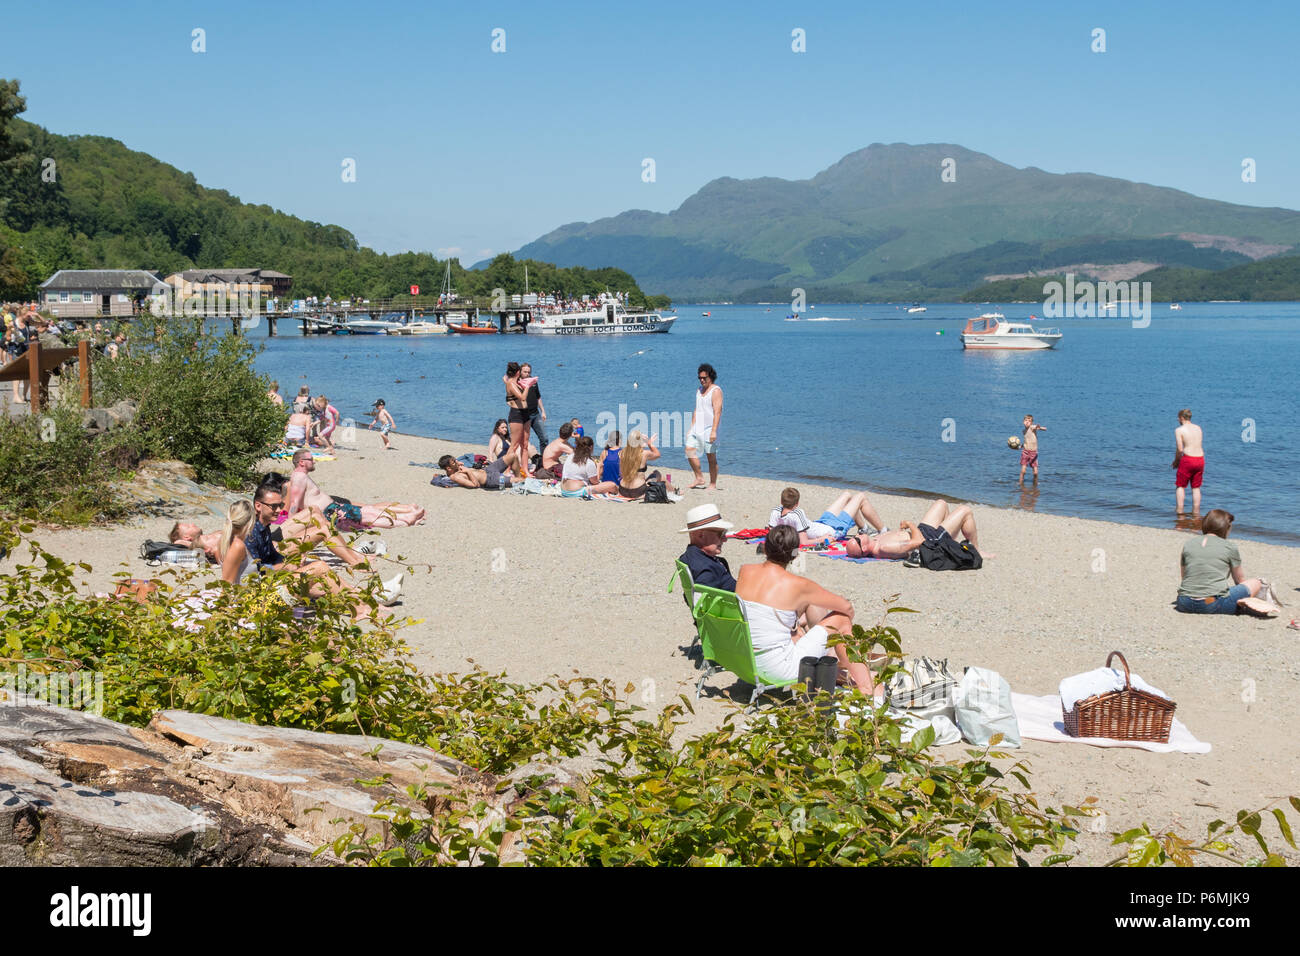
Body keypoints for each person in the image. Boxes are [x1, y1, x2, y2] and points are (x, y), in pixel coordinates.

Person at [736, 525, 880, 699]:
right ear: (795, 554)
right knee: (841, 620)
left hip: (744, 662)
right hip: (777, 669)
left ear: (765, 547)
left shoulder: (745, 571)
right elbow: (847, 608)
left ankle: (839, 661)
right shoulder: (798, 585)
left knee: (793, 618)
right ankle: (865, 686)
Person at [287, 448, 425, 527]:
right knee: (368, 517)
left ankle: (406, 518)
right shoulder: (299, 477)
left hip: (333, 509)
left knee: (369, 510)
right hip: (330, 513)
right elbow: (294, 503)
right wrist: (289, 526)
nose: (314, 461)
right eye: (311, 459)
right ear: (302, 462)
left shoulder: (301, 476)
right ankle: (407, 520)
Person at [1175, 509, 1275, 616]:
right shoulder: (1230, 547)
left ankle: (1238, 603)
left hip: (1184, 602)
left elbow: (1185, 576)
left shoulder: (1188, 544)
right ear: (1225, 528)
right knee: (1256, 582)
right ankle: (1243, 604)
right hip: (1210, 603)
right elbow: (1239, 580)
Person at [846, 499, 984, 559]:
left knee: (941, 503)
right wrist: (910, 524)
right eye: (857, 539)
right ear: (863, 549)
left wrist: (902, 530)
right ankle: (977, 551)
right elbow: (918, 542)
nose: (857, 536)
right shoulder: (885, 548)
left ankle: (948, 544)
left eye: (855, 537)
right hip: (929, 541)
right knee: (965, 510)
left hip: (923, 532)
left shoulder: (875, 540)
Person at [770, 488, 887, 547]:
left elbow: (771, 534)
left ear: (781, 501)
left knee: (847, 495)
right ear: (797, 504)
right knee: (861, 497)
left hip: (821, 523)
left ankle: (864, 528)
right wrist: (822, 539)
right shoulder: (797, 514)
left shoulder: (775, 511)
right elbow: (804, 542)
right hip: (832, 530)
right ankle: (883, 531)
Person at [677, 504, 737, 591]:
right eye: (721, 534)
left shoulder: (687, 557)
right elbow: (705, 601)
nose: (724, 539)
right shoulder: (706, 569)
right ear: (701, 535)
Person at [686, 363, 722, 490]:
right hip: (697, 427)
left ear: (710, 377)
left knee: (711, 457)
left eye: (704, 378)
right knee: (689, 450)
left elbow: (717, 411)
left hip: (709, 428)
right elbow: (696, 409)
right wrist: (691, 427)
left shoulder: (715, 391)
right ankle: (699, 477)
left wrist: (714, 431)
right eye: (700, 378)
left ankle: (713, 483)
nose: (702, 380)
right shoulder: (699, 391)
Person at [1173, 408, 1204, 515]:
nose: (1178, 419)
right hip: (1200, 459)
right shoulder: (1198, 428)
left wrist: (1176, 461)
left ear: (1182, 418)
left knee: (1180, 486)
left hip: (1188, 459)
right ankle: (1196, 512)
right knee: (1196, 487)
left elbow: (1180, 449)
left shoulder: (1179, 430)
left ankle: (1180, 511)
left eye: (1178, 417)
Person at [503, 363, 530, 476]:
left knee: (525, 444)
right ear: (518, 372)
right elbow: (522, 397)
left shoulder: (515, 382)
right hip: (516, 415)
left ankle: (525, 470)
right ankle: (506, 469)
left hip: (525, 414)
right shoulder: (511, 383)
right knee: (514, 444)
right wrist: (528, 386)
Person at [617, 430, 662, 499]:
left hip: (623, 490)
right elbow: (657, 455)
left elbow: (621, 474)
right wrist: (649, 444)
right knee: (657, 473)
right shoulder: (644, 453)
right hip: (638, 491)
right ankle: (675, 491)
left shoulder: (622, 453)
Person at [438, 453, 516, 489]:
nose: (457, 462)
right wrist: (468, 471)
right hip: (491, 479)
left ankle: (519, 474)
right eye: (454, 462)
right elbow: (475, 485)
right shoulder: (455, 477)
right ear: (449, 468)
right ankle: (521, 478)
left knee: (512, 456)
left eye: (455, 460)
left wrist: (458, 464)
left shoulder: (457, 468)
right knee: (518, 481)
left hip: (489, 469)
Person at [520, 362, 548, 456]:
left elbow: (538, 397)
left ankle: (544, 461)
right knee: (523, 441)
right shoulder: (517, 383)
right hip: (523, 416)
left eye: (529, 372)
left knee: (544, 438)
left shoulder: (533, 382)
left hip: (536, 414)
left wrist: (543, 411)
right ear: (520, 372)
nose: (527, 374)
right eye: (525, 372)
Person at [1019, 414, 1046, 485]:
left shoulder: (1032, 428)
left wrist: (1040, 427)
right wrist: (1021, 446)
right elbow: (1026, 441)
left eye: (1029, 421)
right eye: (1026, 420)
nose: (1027, 422)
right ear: (1023, 422)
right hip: (1025, 452)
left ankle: (1035, 483)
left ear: (1031, 423)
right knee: (1023, 471)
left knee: (1035, 472)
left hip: (1033, 453)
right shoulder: (1023, 431)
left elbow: (1041, 428)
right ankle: (1020, 482)